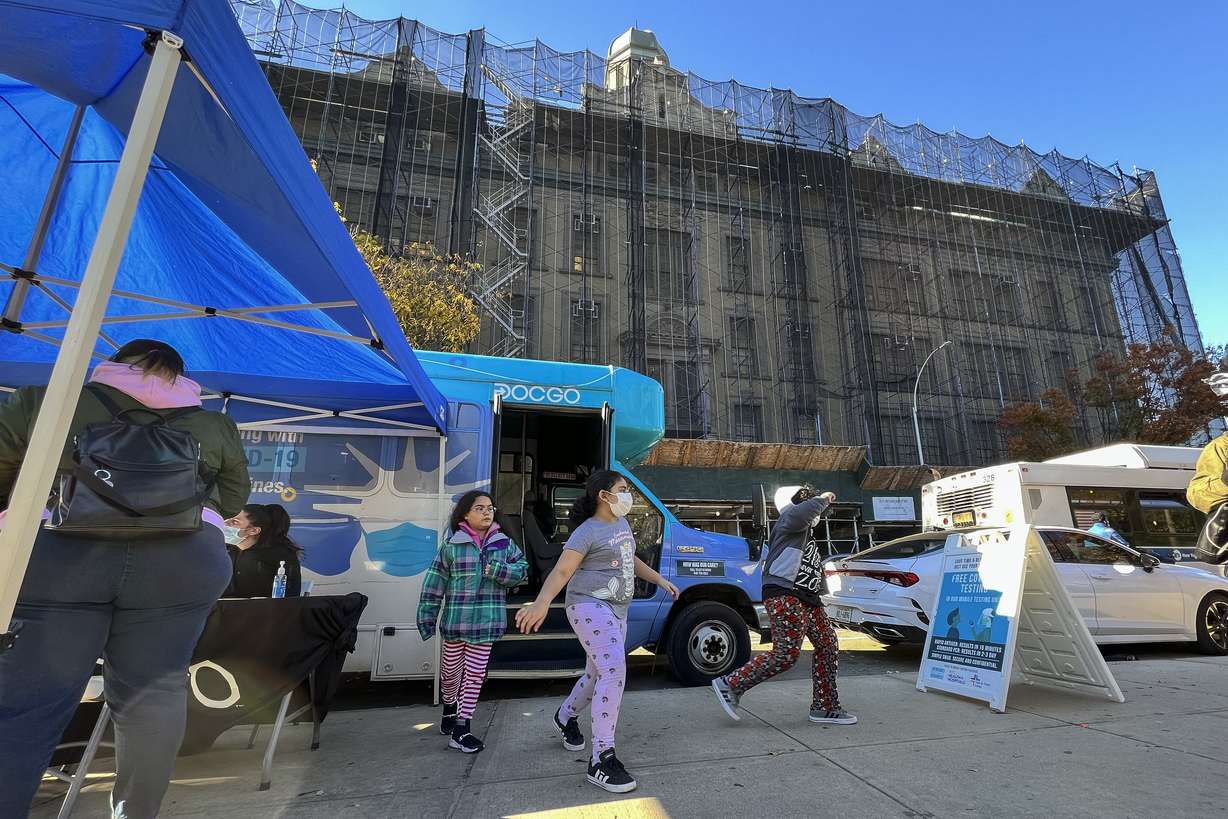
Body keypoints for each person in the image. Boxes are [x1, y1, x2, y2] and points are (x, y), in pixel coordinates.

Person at [0, 339, 249, 819]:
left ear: (113, 366)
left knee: (29, 701)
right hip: (182, 564)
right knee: (153, 694)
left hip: (61, 558)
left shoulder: (51, 399)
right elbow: (234, 498)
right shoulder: (213, 424)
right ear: (179, 376)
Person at [516, 470, 679, 794]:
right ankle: (601, 757)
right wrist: (541, 603)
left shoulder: (620, 525)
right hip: (588, 606)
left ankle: (565, 717)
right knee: (614, 671)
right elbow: (563, 570)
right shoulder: (586, 532)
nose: (627, 495)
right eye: (622, 489)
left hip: (617, 609)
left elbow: (628, 559)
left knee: (596, 675)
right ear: (604, 496)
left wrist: (659, 580)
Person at [710, 484, 857, 727]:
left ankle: (825, 706)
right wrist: (823, 498)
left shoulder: (803, 531)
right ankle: (731, 684)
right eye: (805, 500)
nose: (814, 508)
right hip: (785, 594)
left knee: (828, 644)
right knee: (786, 654)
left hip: (808, 598)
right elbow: (802, 511)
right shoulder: (789, 521)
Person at [418, 490, 528, 753]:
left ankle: (461, 728)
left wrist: (498, 571)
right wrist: (427, 617)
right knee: (451, 675)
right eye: (480, 508)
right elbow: (433, 585)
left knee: (476, 675)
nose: (487, 512)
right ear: (465, 514)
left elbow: (522, 570)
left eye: (490, 507)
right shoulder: (451, 546)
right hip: (456, 625)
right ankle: (449, 708)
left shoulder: (503, 543)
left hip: (487, 624)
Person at [224, 503, 303, 598]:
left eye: (235, 522)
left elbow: (289, 597)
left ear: (254, 530)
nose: (225, 523)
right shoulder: (226, 550)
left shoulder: (280, 555)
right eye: (227, 519)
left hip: (263, 610)